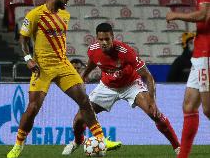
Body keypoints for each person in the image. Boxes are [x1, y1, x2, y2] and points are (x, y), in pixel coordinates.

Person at [7, 0, 114, 158]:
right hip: (42, 68)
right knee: (33, 108)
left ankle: (100, 138)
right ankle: (18, 145)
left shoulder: (65, 14)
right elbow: (23, 39)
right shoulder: (35, 15)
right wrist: (28, 59)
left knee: (84, 100)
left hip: (63, 65)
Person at [62, 23, 181, 155]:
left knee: (155, 114)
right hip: (107, 86)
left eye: (107, 39)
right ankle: (78, 141)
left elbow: (148, 76)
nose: (104, 42)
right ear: (97, 39)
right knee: (79, 119)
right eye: (101, 39)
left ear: (113, 37)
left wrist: (152, 101)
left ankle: (178, 147)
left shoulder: (126, 52)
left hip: (131, 85)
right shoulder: (93, 50)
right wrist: (84, 75)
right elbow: (93, 61)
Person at [166, 0, 210, 157]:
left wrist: (175, 15)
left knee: (208, 110)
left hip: (206, 52)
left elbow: (204, 16)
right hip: (200, 53)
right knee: (189, 106)